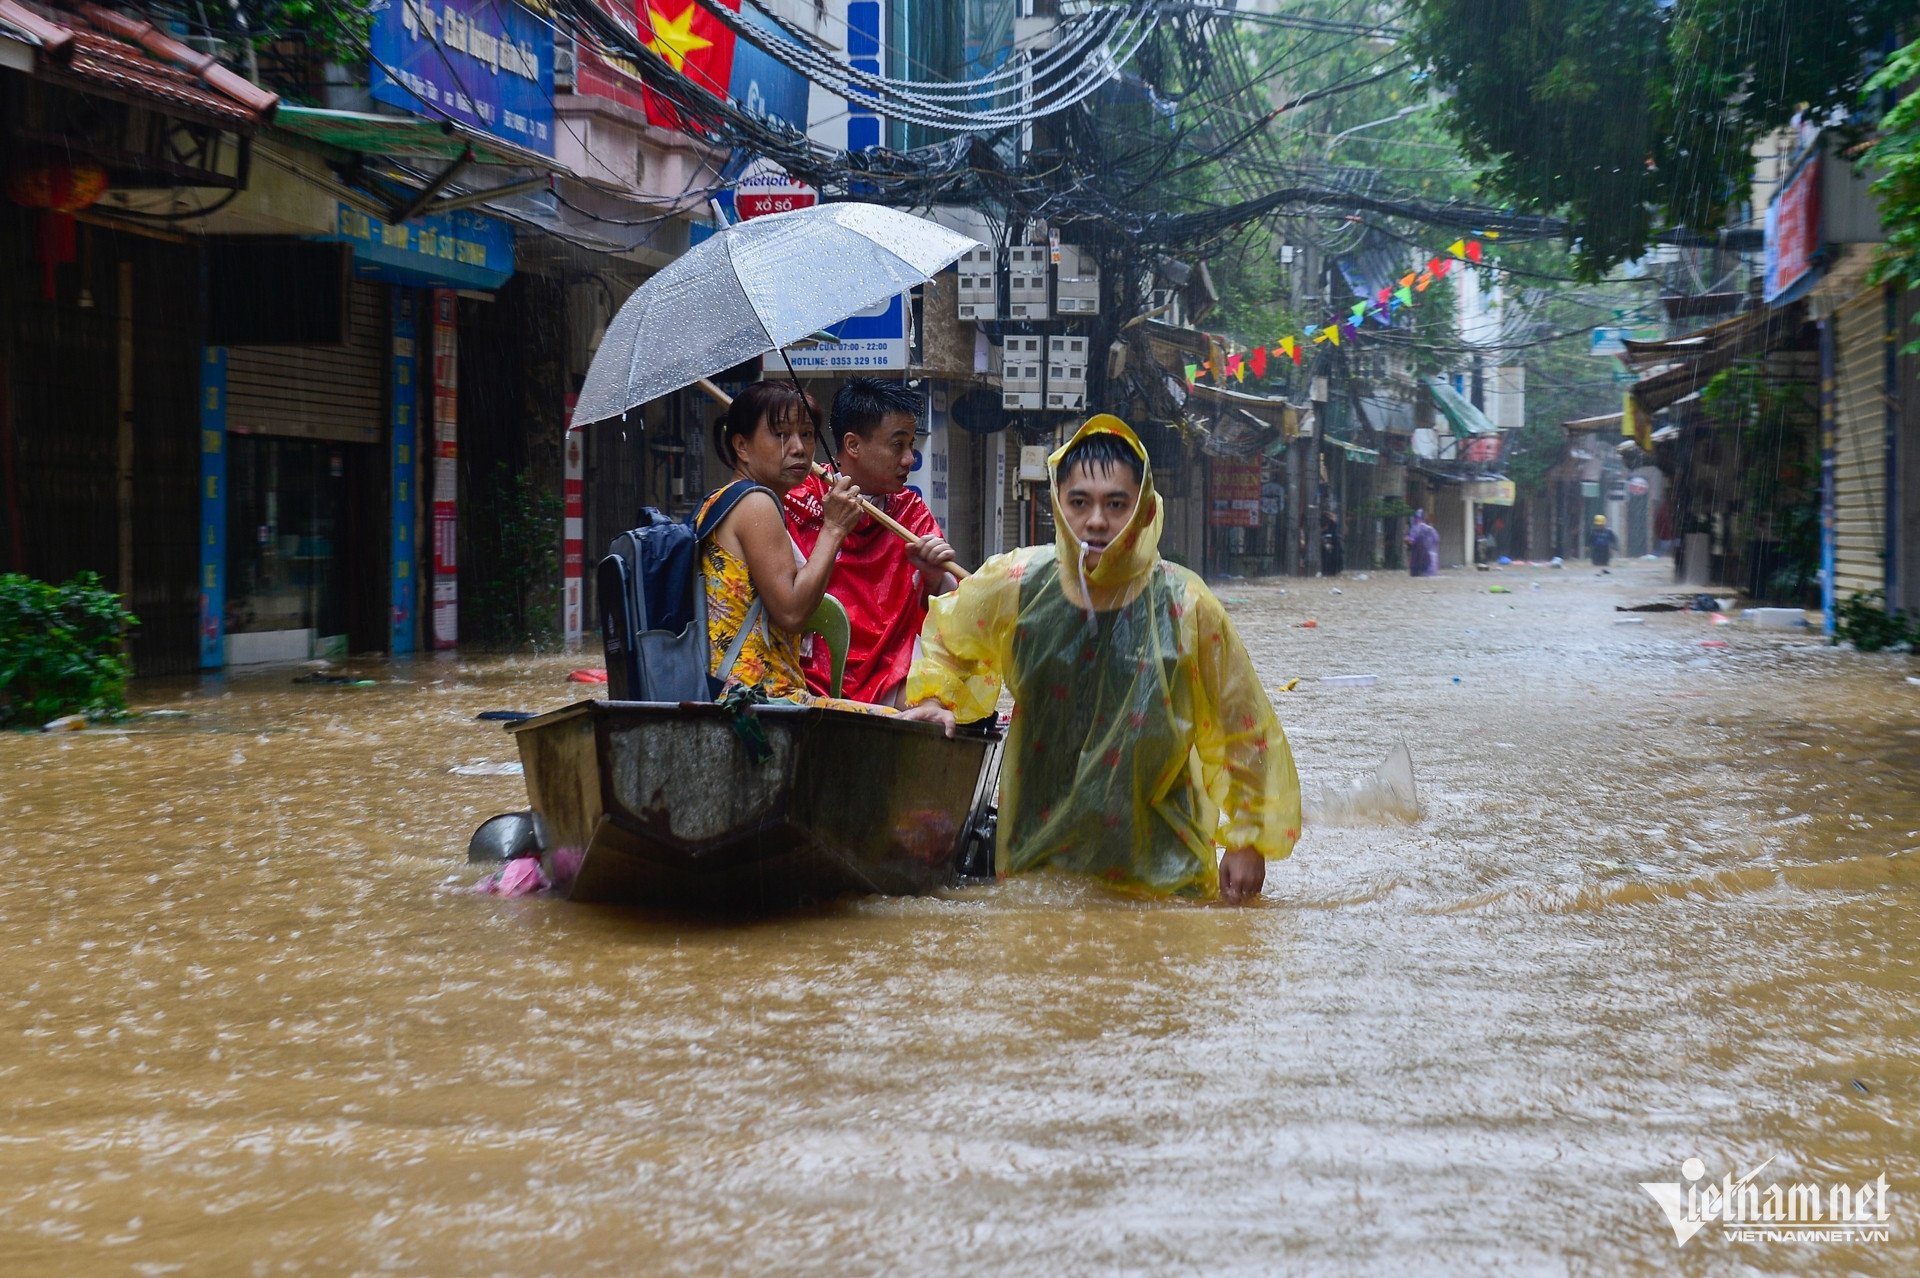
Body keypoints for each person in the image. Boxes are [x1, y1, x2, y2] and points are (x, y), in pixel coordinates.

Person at [900, 415, 1301, 903]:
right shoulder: (1018, 583)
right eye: (1079, 502)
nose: (1096, 521)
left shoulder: (1188, 605)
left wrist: (1247, 840)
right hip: (1037, 864)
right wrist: (939, 697)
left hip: (1165, 870)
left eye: (1116, 504)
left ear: (1145, 510)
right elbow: (949, 636)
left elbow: (1243, 728)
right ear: (1058, 505)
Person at [697, 380, 873, 707]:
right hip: (758, 698)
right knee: (897, 720)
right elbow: (792, 612)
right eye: (781, 435)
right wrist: (833, 529)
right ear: (742, 446)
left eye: (807, 434)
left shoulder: (720, 500)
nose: (799, 448)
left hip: (745, 694)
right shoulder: (755, 504)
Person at [784, 379, 958, 705]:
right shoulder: (798, 499)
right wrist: (833, 527)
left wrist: (934, 575)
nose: (909, 459)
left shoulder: (911, 512)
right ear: (852, 445)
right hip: (808, 674)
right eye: (897, 445)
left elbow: (951, 610)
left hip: (894, 673)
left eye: (911, 444)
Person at [1406, 508, 1440, 577]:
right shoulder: (1431, 529)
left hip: (1419, 559)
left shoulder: (1415, 528)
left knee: (1418, 577)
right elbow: (1437, 541)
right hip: (1433, 560)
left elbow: (1411, 541)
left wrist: (1406, 540)